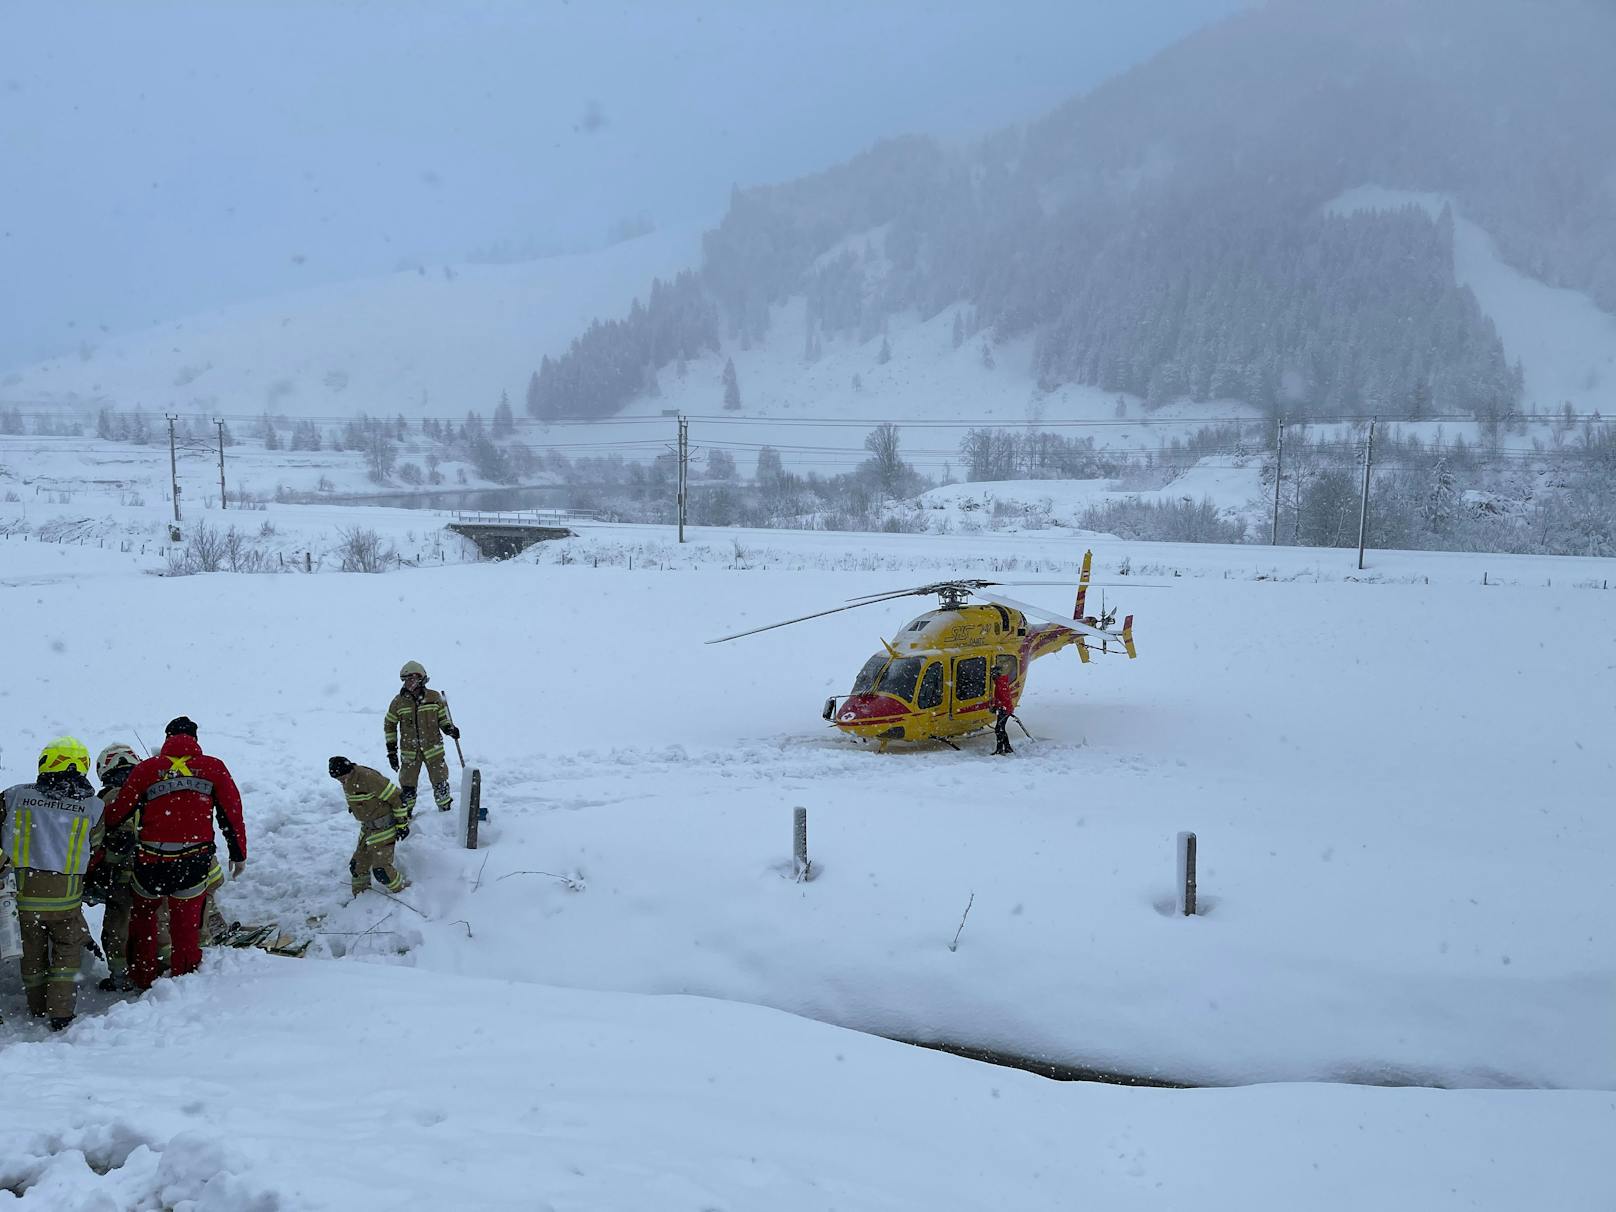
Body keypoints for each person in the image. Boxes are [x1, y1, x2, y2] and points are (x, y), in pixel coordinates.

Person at [104, 717, 247, 990]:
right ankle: (184, 979)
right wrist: (238, 853)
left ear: (167, 737)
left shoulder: (148, 769)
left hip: (151, 862)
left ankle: (142, 977)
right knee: (186, 926)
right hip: (193, 860)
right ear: (195, 738)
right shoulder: (213, 768)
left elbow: (118, 813)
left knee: (144, 919)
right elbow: (232, 813)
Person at [0, 737, 105, 1030]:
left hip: (22, 896)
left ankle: (36, 1005)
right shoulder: (93, 807)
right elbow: (95, 845)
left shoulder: (14, 796)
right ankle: (60, 1012)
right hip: (66, 899)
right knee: (67, 952)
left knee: (31, 951)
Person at [329, 756, 410, 896]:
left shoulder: (368, 778)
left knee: (381, 871)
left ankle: (404, 893)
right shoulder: (347, 780)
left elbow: (397, 797)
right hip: (367, 829)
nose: (342, 781)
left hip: (384, 827)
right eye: (338, 779)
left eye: (343, 777)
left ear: (349, 770)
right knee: (357, 867)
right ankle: (362, 898)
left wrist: (402, 824)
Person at [385, 661, 459, 814]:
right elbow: (389, 725)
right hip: (409, 752)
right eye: (405, 680)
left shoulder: (434, 697)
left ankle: (445, 810)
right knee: (407, 785)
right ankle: (406, 814)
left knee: (440, 780)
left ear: (421, 679)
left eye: (411, 679)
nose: (408, 683)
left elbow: (442, 718)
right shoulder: (398, 702)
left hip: (434, 750)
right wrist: (391, 751)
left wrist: (449, 729)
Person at [990, 660, 1016, 756]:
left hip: (1004, 710)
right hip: (1004, 709)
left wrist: (999, 707)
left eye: (993, 674)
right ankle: (1007, 748)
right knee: (1000, 728)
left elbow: (1005, 699)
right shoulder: (1000, 682)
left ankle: (1000, 749)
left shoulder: (1000, 683)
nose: (992, 676)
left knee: (999, 729)